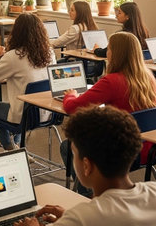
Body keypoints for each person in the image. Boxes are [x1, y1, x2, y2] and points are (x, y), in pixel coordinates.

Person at [1, 105, 156, 226]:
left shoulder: (84, 222)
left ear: (87, 165)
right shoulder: (152, 191)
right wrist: (69, 220)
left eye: (74, 154)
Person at [62, 31, 156, 195]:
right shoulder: (149, 77)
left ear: (116, 53)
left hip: (124, 153)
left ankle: (90, 195)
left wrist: (70, 95)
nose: (107, 51)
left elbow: (73, 108)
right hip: (151, 150)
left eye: (109, 48)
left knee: (69, 146)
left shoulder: (111, 81)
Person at [0, 13, 55, 150]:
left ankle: (11, 148)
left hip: (24, 118)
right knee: (20, 103)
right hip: (49, 113)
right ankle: (17, 146)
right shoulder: (50, 53)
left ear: (17, 32)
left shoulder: (13, 56)